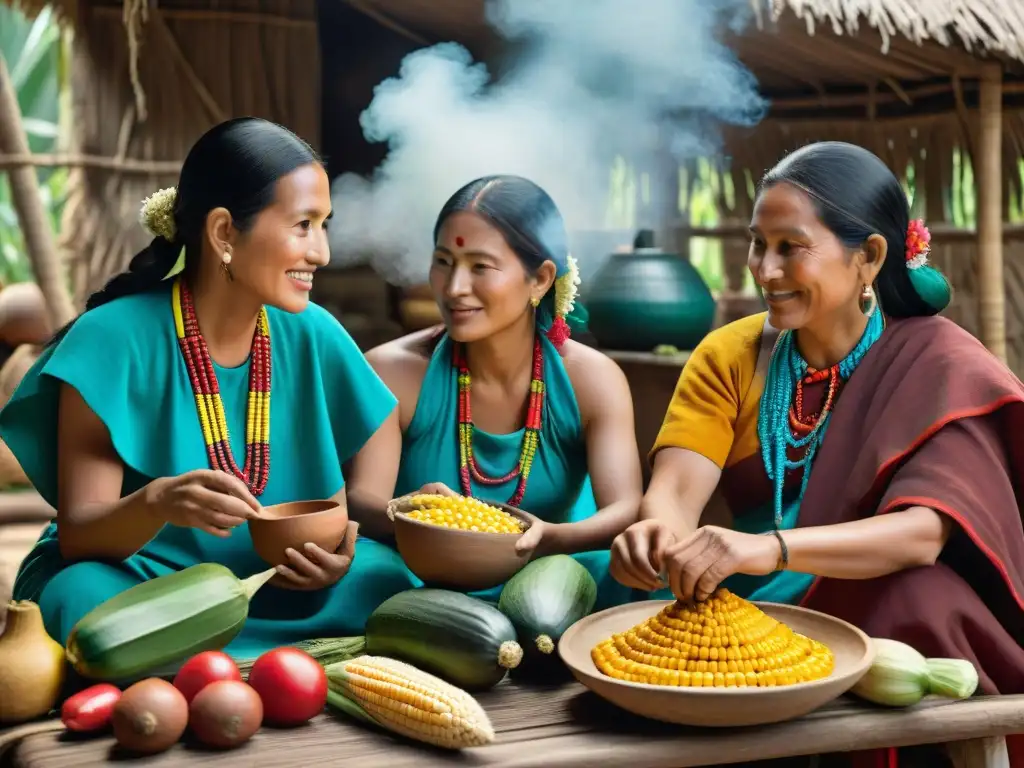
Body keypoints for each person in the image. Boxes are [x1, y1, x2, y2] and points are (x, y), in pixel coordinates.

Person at [609, 141, 1024, 705]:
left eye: (790, 248)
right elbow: (677, 494)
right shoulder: (731, 355)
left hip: (863, 595)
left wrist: (771, 549)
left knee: (923, 598)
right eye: (758, 244)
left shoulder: (937, 363)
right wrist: (658, 534)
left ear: (870, 257)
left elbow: (924, 533)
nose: (764, 269)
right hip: (744, 604)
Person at [0, 117, 413, 659]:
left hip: (278, 584)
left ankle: (208, 663)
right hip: (148, 583)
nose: (322, 253)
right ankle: (283, 660)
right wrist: (156, 502)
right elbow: (80, 536)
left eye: (324, 225)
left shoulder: (311, 330)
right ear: (223, 232)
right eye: (303, 225)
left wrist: (345, 535)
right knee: (81, 601)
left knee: (386, 579)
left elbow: (379, 421)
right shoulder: (110, 338)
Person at [355, 175, 643, 609]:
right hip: (420, 581)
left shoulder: (592, 379)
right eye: (444, 261)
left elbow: (624, 509)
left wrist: (546, 540)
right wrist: (405, 510)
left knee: (620, 571)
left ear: (540, 279)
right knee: (366, 570)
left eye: (480, 267)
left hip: (546, 576)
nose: (454, 289)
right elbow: (361, 499)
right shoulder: (392, 370)